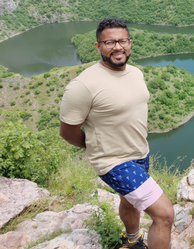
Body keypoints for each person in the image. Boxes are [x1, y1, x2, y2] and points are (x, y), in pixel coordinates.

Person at [59, 17, 174, 249]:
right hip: (113, 161)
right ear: (98, 46)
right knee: (164, 214)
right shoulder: (83, 86)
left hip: (140, 152)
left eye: (122, 41)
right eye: (109, 42)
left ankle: (132, 240)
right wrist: (98, 147)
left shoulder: (134, 73)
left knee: (129, 200)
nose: (118, 47)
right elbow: (67, 132)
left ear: (130, 43)